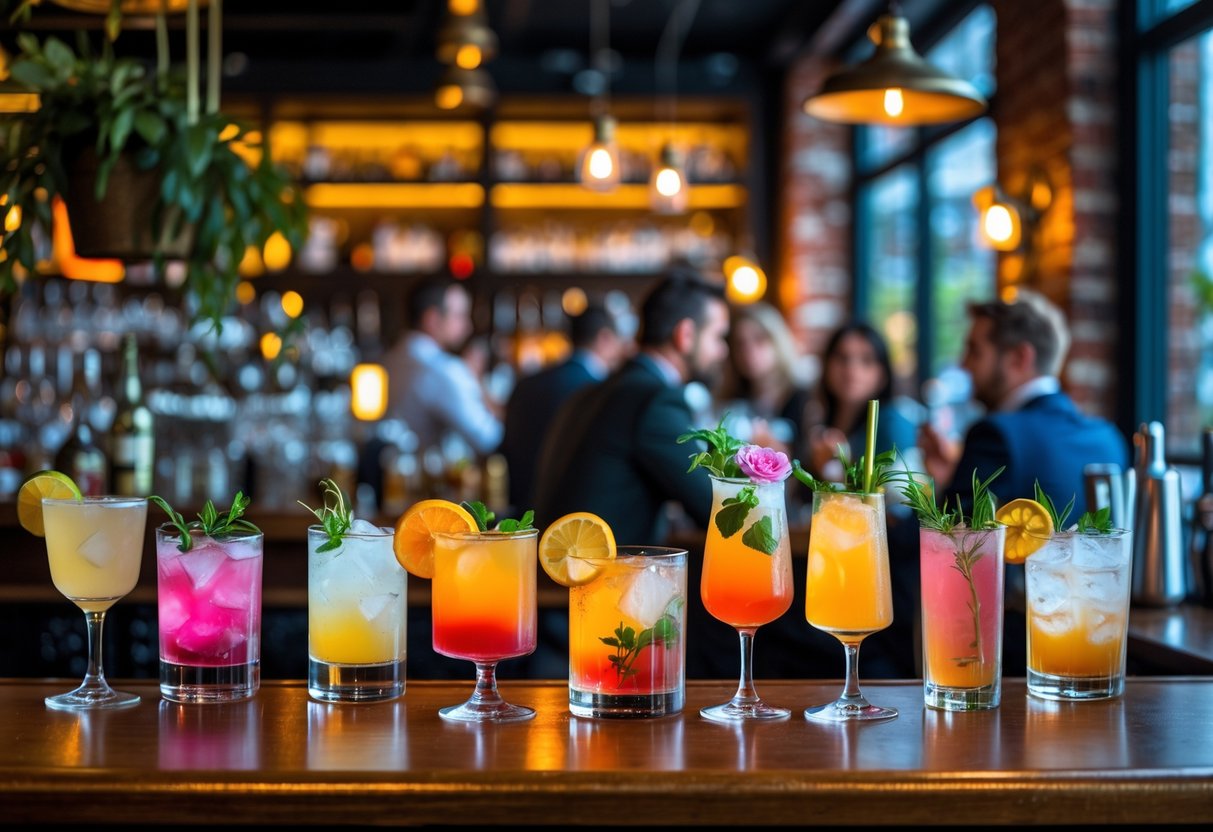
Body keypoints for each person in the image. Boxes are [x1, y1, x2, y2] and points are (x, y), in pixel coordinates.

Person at [915, 288, 1130, 677]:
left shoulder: (995, 433)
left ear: (1019, 357)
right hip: (1094, 638)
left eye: (974, 351)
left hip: (1010, 651)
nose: (964, 366)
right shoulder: (1107, 436)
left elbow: (951, 537)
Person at [533, 269, 730, 545]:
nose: (723, 351)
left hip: (557, 576)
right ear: (685, 335)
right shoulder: (655, 401)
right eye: (718, 337)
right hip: (605, 583)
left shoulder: (595, 391)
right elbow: (720, 513)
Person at [499, 301, 630, 513]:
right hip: (575, 523)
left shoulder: (526, 384)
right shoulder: (600, 393)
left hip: (521, 518)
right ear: (605, 338)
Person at [380, 275, 503, 459]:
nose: (468, 326)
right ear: (432, 319)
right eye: (459, 316)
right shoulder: (444, 370)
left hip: (392, 474)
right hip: (429, 480)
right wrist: (475, 380)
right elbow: (489, 439)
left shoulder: (389, 359)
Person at [804, 321, 918, 482]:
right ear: (826, 365)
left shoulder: (893, 425)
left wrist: (841, 466)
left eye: (866, 360)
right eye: (842, 358)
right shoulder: (816, 419)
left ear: (883, 374)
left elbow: (898, 496)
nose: (852, 369)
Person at [715, 300, 812, 460]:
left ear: (778, 341)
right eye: (740, 344)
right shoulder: (732, 401)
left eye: (759, 339)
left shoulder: (804, 400)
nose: (749, 351)